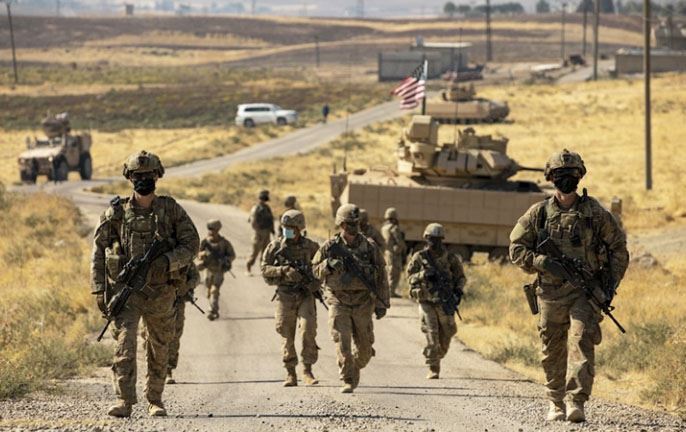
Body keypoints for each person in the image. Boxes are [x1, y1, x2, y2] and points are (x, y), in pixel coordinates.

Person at [509, 149, 629, 423]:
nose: (566, 179)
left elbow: (619, 249)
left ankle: (576, 402)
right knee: (552, 349)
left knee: (581, 340)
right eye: (560, 174)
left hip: (584, 293)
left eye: (571, 174)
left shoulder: (594, 213)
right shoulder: (539, 213)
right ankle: (555, 401)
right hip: (550, 293)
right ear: (551, 178)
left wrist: (609, 285)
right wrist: (541, 262)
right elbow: (516, 249)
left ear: (580, 176)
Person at [90, 150, 199, 418]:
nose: (143, 180)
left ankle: (155, 400)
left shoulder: (170, 210)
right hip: (127, 294)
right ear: (129, 178)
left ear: (157, 176)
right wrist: (100, 289)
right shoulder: (116, 213)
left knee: (159, 348)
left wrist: (168, 261)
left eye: (148, 175)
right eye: (138, 176)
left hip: (161, 292)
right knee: (124, 347)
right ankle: (124, 400)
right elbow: (99, 252)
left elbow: (192, 244)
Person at [312, 204, 389, 393]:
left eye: (356, 223)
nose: (353, 227)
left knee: (365, 350)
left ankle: (354, 368)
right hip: (338, 300)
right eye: (349, 224)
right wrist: (328, 265)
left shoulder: (369, 246)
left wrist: (382, 303)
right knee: (342, 341)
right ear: (341, 224)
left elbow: (381, 276)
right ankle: (347, 378)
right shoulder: (330, 246)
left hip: (363, 302)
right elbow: (314, 270)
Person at [261, 210, 321, 387]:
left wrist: (315, 283)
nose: (287, 230)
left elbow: (322, 268)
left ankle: (307, 370)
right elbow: (264, 269)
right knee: (286, 333)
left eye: (291, 227)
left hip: (305, 294)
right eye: (285, 227)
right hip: (285, 295)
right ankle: (290, 373)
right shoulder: (275, 247)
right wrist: (283, 270)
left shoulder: (311, 247)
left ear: (300, 228)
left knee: (308, 329)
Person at [165, 263, 200, 385]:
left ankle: (168, 370)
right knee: (152, 336)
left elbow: (196, 277)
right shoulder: (156, 257)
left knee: (174, 336)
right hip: (156, 302)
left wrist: (186, 286)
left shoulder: (184, 259)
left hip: (177, 303)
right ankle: (153, 370)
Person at [197, 219, 236, 320]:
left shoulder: (224, 243)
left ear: (218, 230)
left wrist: (225, 259)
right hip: (208, 269)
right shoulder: (205, 242)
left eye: (213, 229)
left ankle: (213, 311)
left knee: (215, 290)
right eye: (209, 229)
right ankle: (211, 302)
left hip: (219, 270)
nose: (211, 231)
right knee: (208, 288)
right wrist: (203, 255)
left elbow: (232, 255)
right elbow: (197, 253)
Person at [246, 189, 274, 275]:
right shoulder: (256, 208)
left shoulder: (267, 208)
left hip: (266, 233)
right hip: (259, 234)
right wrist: (258, 232)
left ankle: (263, 270)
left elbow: (271, 220)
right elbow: (253, 222)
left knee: (265, 253)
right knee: (254, 253)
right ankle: (248, 269)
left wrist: (272, 230)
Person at [381, 207, 406, 298]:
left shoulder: (384, 227)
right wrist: (400, 249)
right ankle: (391, 291)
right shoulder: (394, 228)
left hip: (386, 252)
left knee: (388, 271)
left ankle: (388, 291)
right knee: (395, 272)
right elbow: (400, 242)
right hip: (394, 253)